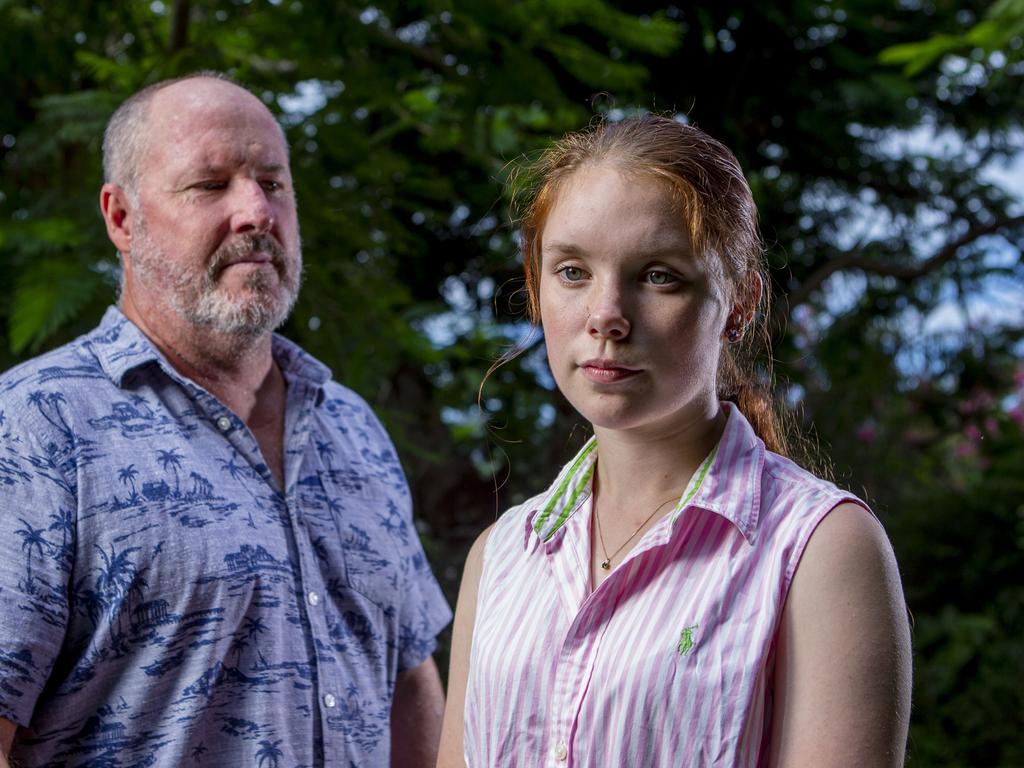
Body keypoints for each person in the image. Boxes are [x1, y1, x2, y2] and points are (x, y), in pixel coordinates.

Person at [0, 72, 451, 768]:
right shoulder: (36, 426)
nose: (255, 212)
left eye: (273, 183)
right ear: (122, 218)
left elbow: (409, 683)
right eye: (210, 185)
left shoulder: (354, 430)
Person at [437, 115, 912, 767]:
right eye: (573, 271)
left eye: (658, 275)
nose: (607, 315)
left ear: (740, 299)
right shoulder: (499, 560)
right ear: (534, 287)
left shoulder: (820, 551)